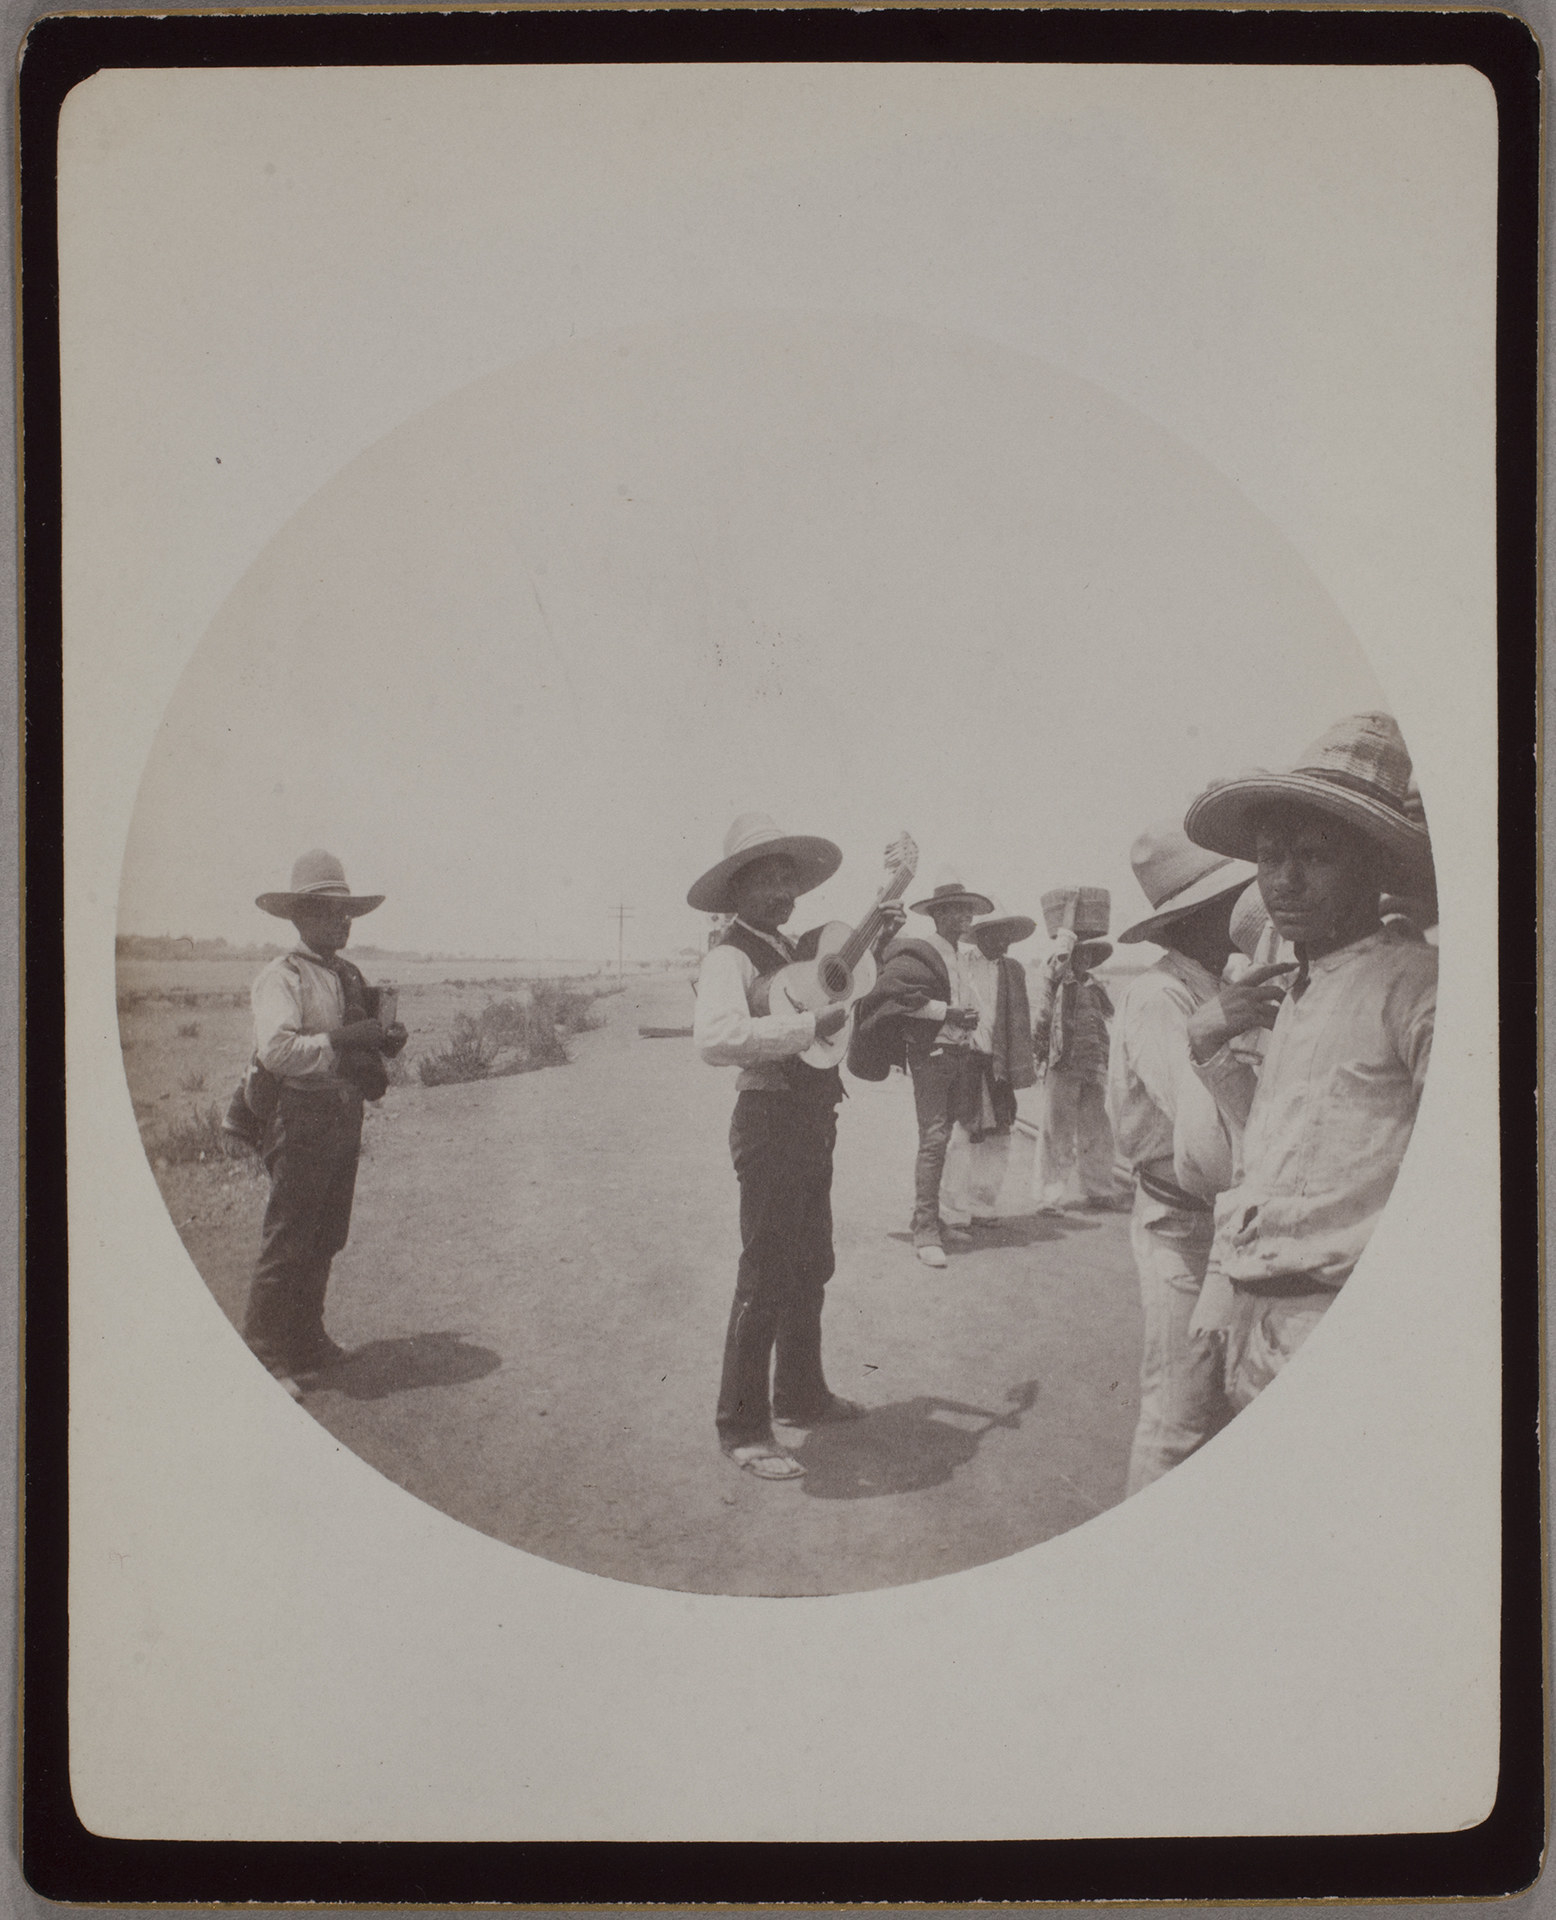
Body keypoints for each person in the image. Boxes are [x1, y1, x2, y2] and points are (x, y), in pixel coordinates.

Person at [1182, 711, 1437, 1407]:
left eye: (1317, 857)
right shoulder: (1295, 987)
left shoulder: (1412, 983)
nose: (1285, 881)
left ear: (1373, 865)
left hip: (1334, 1321)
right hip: (1256, 1313)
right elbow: (1275, 1150)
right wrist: (1209, 1046)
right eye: (1270, 857)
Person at [690, 813, 906, 1480]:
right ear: (737, 891)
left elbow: (840, 979)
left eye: (790, 881)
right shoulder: (729, 957)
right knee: (766, 1269)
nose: (784, 893)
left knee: (811, 1261)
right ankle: (744, 1427)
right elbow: (716, 1040)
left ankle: (802, 1394)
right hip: (768, 1121)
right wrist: (808, 1024)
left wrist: (881, 922)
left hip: (813, 1120)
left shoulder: (791, 953)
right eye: (769, 881)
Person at [1107, 827, 1257, 1494]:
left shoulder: (1217, 986)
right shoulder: (1162, 996)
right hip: (1183, 1226)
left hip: (1220, 1223)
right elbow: (1201, 1129)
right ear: (1197, 917)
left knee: (1221, 1409)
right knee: (1178, 1418)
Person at [242, 850, 408, 1399]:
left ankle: (306, 1337)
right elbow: (277, 1051)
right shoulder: (281, 976)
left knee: (326, 1234)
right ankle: (264, 1355)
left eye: (347, 913)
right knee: (289, 1234)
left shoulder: (346, 974)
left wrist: (383, 1041)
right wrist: (341, 1042)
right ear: (300, 918)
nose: (343, 922)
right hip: (300, 1115)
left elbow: (360, 1045)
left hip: (341, 1116)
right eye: (330, 913)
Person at [849, 868, 994, 1269]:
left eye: (968, 912)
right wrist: (947, 1011)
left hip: (959, 1055)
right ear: (938, 915)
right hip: (932, 1057)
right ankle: (926, 1231)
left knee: (946, 1135)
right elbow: (890, 994)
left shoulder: (960, 957)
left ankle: (927, 1218)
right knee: (933, 1139)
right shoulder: (920, 951)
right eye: (956, 911)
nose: (965, 918)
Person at [939, 904, 1039, 1230]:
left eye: (1008, 936)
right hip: (967, 1057)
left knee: (999, 1132)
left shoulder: (1013, 970)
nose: (1005, 942)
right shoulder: (960, 964)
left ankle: (983, 1202)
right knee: (962, 1132)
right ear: (982, 935)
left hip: (999, 1060)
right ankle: (952, 1206)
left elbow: (1020, 1020)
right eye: (998, 934)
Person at [1031, 892, 1129, 1212]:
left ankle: (1099, 1187)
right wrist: (1070, 913)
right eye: (1079, 954)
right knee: (1055, 1132)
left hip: (1093, 1066)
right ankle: (1049, 1195)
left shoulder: (1096, 986)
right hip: (1063, 1062)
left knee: (1097, 1130)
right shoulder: (1060, 979)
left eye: (1088, 955)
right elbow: (1059, 957)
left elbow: (1110, 1021)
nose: (1083, 960)